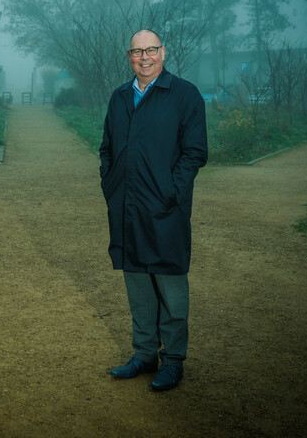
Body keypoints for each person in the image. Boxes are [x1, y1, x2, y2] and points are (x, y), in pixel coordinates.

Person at [99, 29, 208, 391]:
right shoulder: (119, 97)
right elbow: (107, 148)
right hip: (127, 207)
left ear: (164, 52)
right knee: (138, 286)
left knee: (170, 287)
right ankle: (144, 355)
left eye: (151, 50)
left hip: (165, 208)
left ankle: (172, 360)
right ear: (129, 56)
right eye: (137, 51)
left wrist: (172, 191)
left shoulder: (185, 95)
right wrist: (110, 185)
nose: (144, 57)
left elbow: (195, 152)